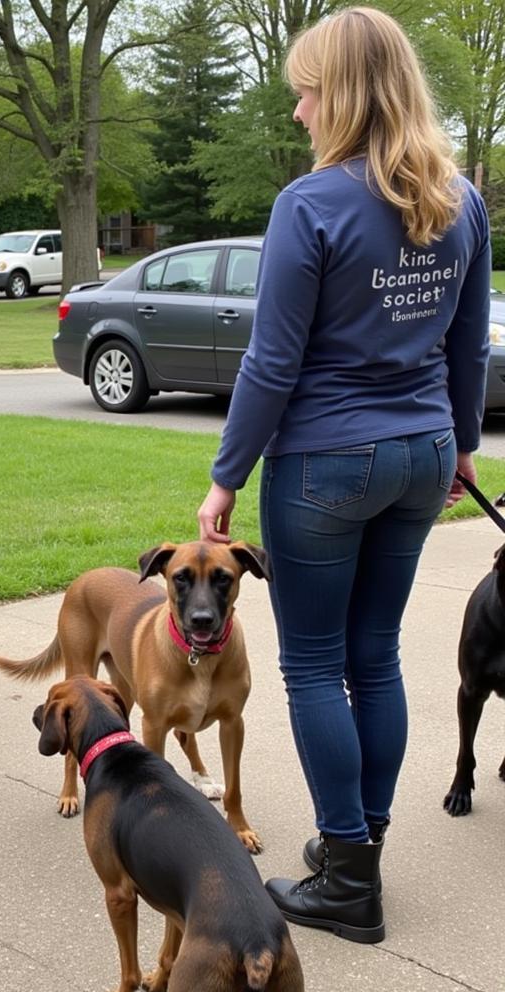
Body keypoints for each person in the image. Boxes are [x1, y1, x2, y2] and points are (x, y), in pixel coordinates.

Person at [197, 7, 490, 944]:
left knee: (319, 663)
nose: (297, 112)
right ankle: (359, 847)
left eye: (306, 91)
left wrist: (224, 478)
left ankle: (347, 877)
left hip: (327, 460)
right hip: (423, 455)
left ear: (346, 94)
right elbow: (466, 344)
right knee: (376, 656)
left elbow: (270, 364)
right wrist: (464, 443)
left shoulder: (312, 205)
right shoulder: (459, 197)